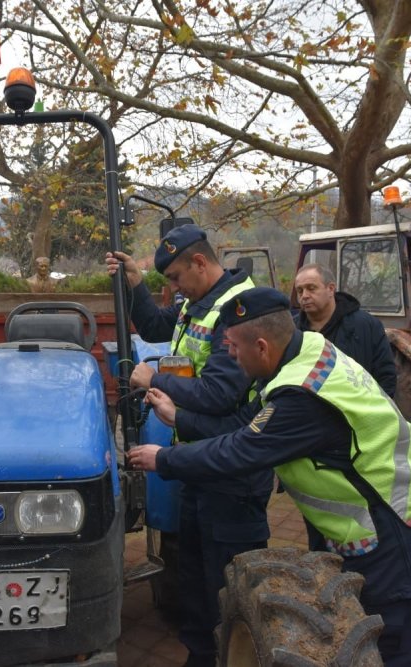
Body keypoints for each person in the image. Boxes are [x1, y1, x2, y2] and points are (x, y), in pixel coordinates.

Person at [129, 287, 411, 667]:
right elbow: (250, 424)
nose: (230, 358)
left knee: (393, 650)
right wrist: (180, 418)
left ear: (262, 346)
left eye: (234, 349)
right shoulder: (308, 350)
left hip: (402, 532)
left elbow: (242, 449)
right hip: (387, 520)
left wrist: (165, 458)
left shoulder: (302, 395)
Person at [105, 224, 273, 667]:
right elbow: (159, 325)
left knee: (228, 578)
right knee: (197, 576)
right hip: (200, 461)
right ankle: (200, 654)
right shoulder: (198, 301)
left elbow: (220, 393)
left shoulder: (238, 310)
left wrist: (153, 379)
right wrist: (137, 286)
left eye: (176, 277)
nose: (173, 288)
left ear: (200, 262)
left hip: (231, 471)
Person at [293, 263, 397, 397]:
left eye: (311, 288)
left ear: (330, 289)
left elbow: (385, 376)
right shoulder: (291, 331)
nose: (304, 296)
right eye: (300, 291)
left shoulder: (366, 326)